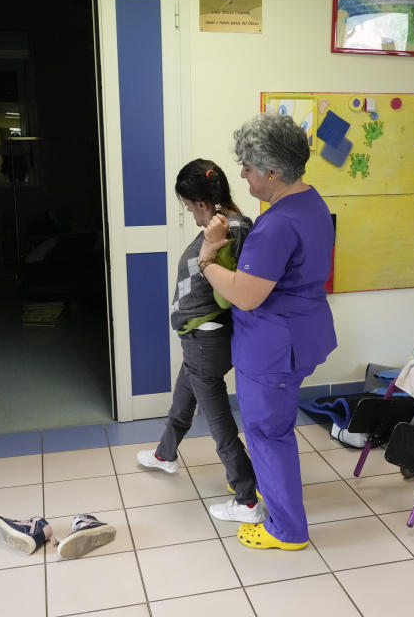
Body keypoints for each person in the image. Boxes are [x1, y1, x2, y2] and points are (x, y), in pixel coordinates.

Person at [197, 114, 337, 550]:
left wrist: (207, 260)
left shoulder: (276, 224)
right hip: (301, 332)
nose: (241, 174)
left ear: (272, 172)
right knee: (273, 427)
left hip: (273, 346)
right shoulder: (309, 201)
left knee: (268, 433)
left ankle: (286, 530)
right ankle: (274, 494)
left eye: (247, 166)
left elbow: (246, 296)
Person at [136, 159, 264, 524]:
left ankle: (246, 499)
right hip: (201, 339)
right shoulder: (230, 224)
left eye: (189, 206)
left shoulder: (224, 232)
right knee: (184, 395)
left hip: (205, 340)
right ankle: (165, 454)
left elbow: (227, 288)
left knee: (219, 423)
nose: (189, 212)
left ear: (203, 203)